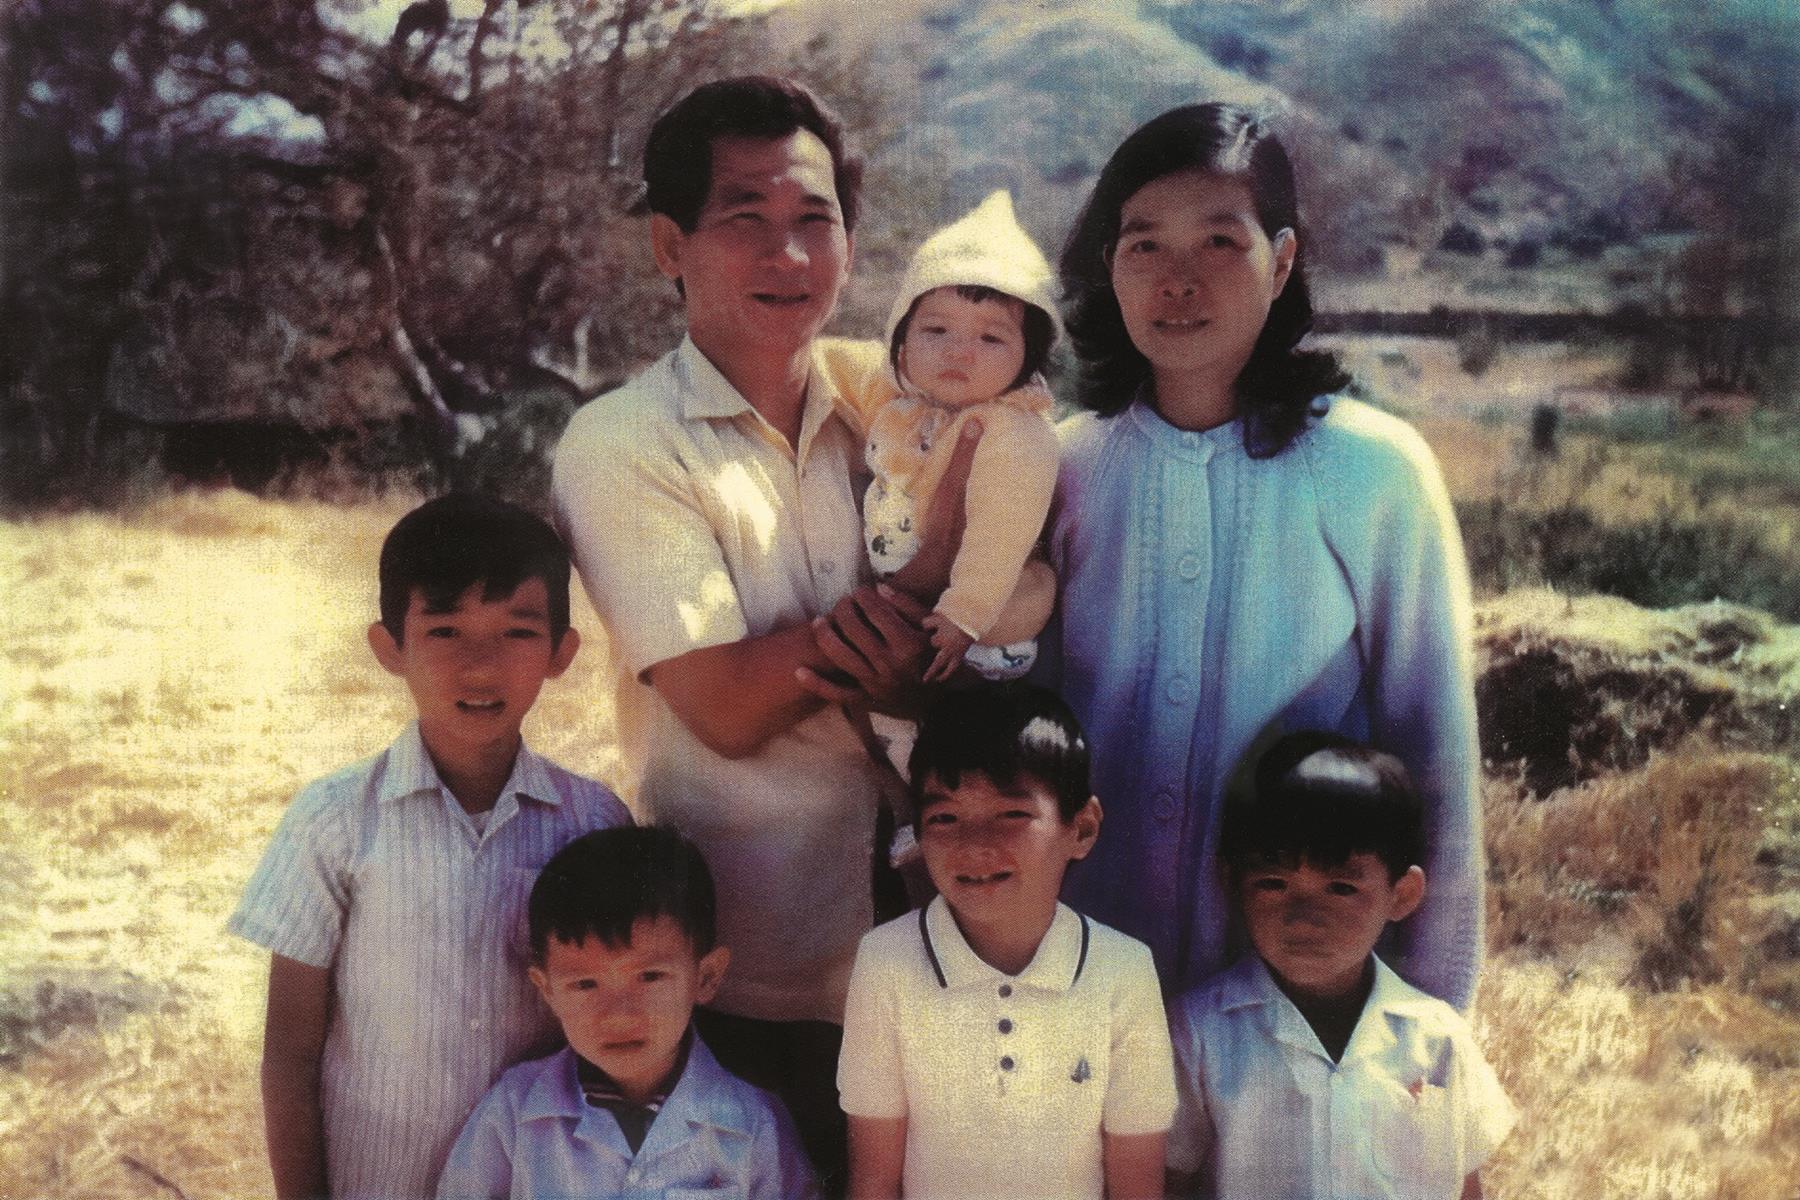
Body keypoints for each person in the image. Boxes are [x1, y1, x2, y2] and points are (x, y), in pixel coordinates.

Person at [551, 76, 977, 1190]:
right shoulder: (623, 442)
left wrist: (895, 661)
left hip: (936, 935)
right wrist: (903, 627)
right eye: (745, 220)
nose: (788, 256)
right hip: (746, 959)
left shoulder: (891, 410)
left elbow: (995, 606)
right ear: (667, 244)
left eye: (814, 221)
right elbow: (724, 704)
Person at [1042, 102, 1483, 1008]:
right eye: (1143, 247)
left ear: (1281, 262)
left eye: (1219, 243)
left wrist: (1430, 1034)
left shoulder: (1373, 470)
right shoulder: (1064, 470)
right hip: (1082, 1004)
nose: (1178, 281)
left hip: (1290, 1016)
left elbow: (1434, 762)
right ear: (1107, 270)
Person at [228, 493, 632, 1200]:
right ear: (390, 649)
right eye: (444, 631)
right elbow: (290, 1054)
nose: (480, 666)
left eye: (515, 633)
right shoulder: (333, 823)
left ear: (562, 653)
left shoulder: (592, 823)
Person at [837, 683, 1176, 1200]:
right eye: (944, 817)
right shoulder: (886, 961)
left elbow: (1137, 1185)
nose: (974, 846)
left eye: (1011, 814)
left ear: (1081, 829)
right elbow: (874, 1180)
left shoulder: (1123, 970)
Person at [1165, 733, 1514, 1199]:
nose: (1304, 916)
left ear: (1401, 895)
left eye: (1341, 888)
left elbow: (1464, 1186)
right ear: (1232, 882)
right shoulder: (1199, 1032)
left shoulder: (1435, 1039)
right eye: (1273, 883)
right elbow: (1172, 1183)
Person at [436, 826, 820, 1199]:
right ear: (547, 990)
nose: (619, 1015)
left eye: (650, 977)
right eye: (585, 984)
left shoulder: (754, 1124)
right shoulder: (513, 1115)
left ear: (706, 977)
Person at [819, 189, 1061, 682]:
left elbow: (1002, 531)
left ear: (1028, 359)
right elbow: (831, 361)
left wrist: (963, 614)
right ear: (901, 341)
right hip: (915, 606)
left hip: (980, 625)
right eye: (936, 331)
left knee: (954, 726)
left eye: (990, 338)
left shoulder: (1013, 432)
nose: (959, 352)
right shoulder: (900, 400)